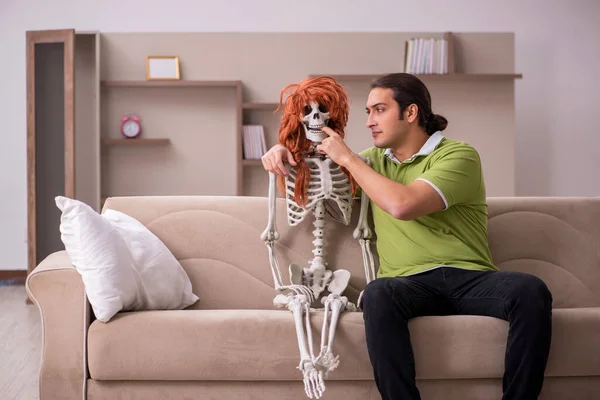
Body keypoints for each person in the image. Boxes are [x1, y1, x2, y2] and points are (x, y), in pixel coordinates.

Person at [261, 72, 553, 400]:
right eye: (368, 112)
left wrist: (348, 159)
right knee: (377, 293)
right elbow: (314, 162)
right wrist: (280, 149)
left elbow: (404, 205)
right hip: (406, 284)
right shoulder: (368, 162)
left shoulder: (458, 156)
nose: (370, 121)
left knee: (529, 290)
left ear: (410, 113)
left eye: (379, 110)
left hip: (470, 279)